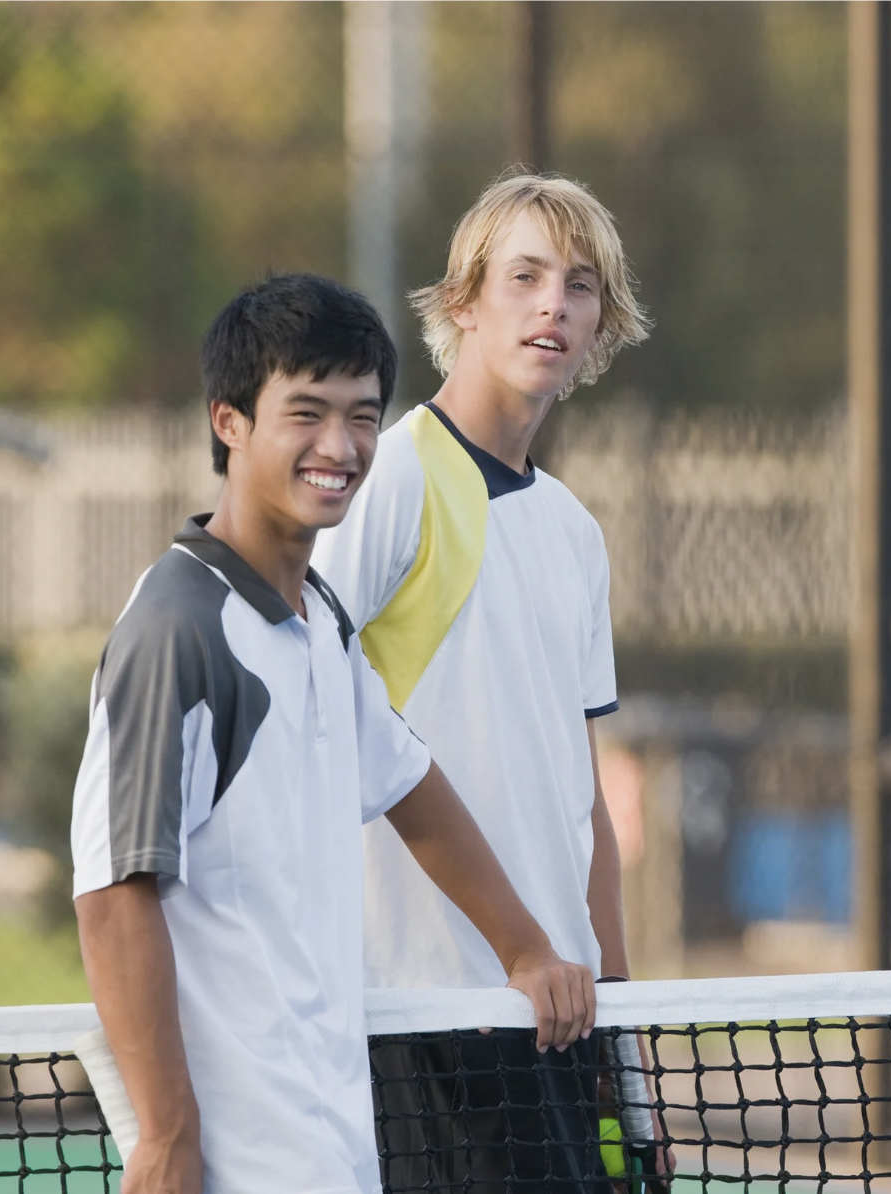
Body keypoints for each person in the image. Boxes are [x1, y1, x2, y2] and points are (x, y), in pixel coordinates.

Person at [70, 273, 597, 1194]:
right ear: (229, 422)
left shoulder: (319, 620)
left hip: (338, 1145)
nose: (341, 447)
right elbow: (115, 892)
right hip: (236, 1162)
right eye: (305, 413)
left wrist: (526, 948)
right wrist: (165, 1136)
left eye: (362, 416)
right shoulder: (176, 627)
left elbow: (411, 788)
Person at [313, 172, 651, 1191]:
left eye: (580, 285)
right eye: (526, 276)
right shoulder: (391, 478)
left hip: (556, 1014)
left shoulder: (574, 532)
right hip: (416, 1012)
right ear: (463, 303)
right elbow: (311, 719)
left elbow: (579, 798)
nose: (554, 303)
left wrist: (621, 1037)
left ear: (599, 325)